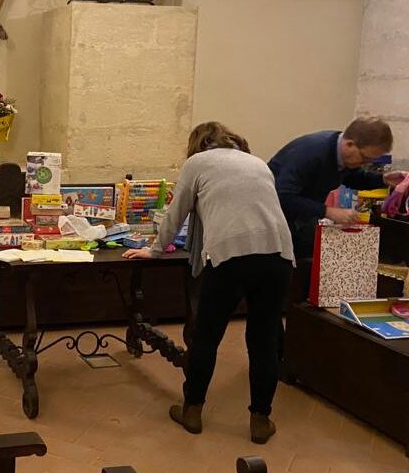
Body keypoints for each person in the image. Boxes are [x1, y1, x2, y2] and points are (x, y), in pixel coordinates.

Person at [124, 121, 294, 444]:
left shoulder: (197, 163)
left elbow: (176, 213)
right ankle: (260, 419)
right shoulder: (259, 164)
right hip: (278, 255)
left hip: (230, 254)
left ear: (198, 144)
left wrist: (154, 250)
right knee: (264, 340)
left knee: (207, 335)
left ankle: (192, 410)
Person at [268, 117, 406, 259]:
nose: (364, 164)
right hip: (272, 220)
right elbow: (282, 196)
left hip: (302, 217)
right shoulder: (312, 152)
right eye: (365, 158)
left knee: (311, 258)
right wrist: (329, 211)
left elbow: (354, 177)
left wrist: (383, 180)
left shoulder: (344, 157)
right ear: (350, 144)